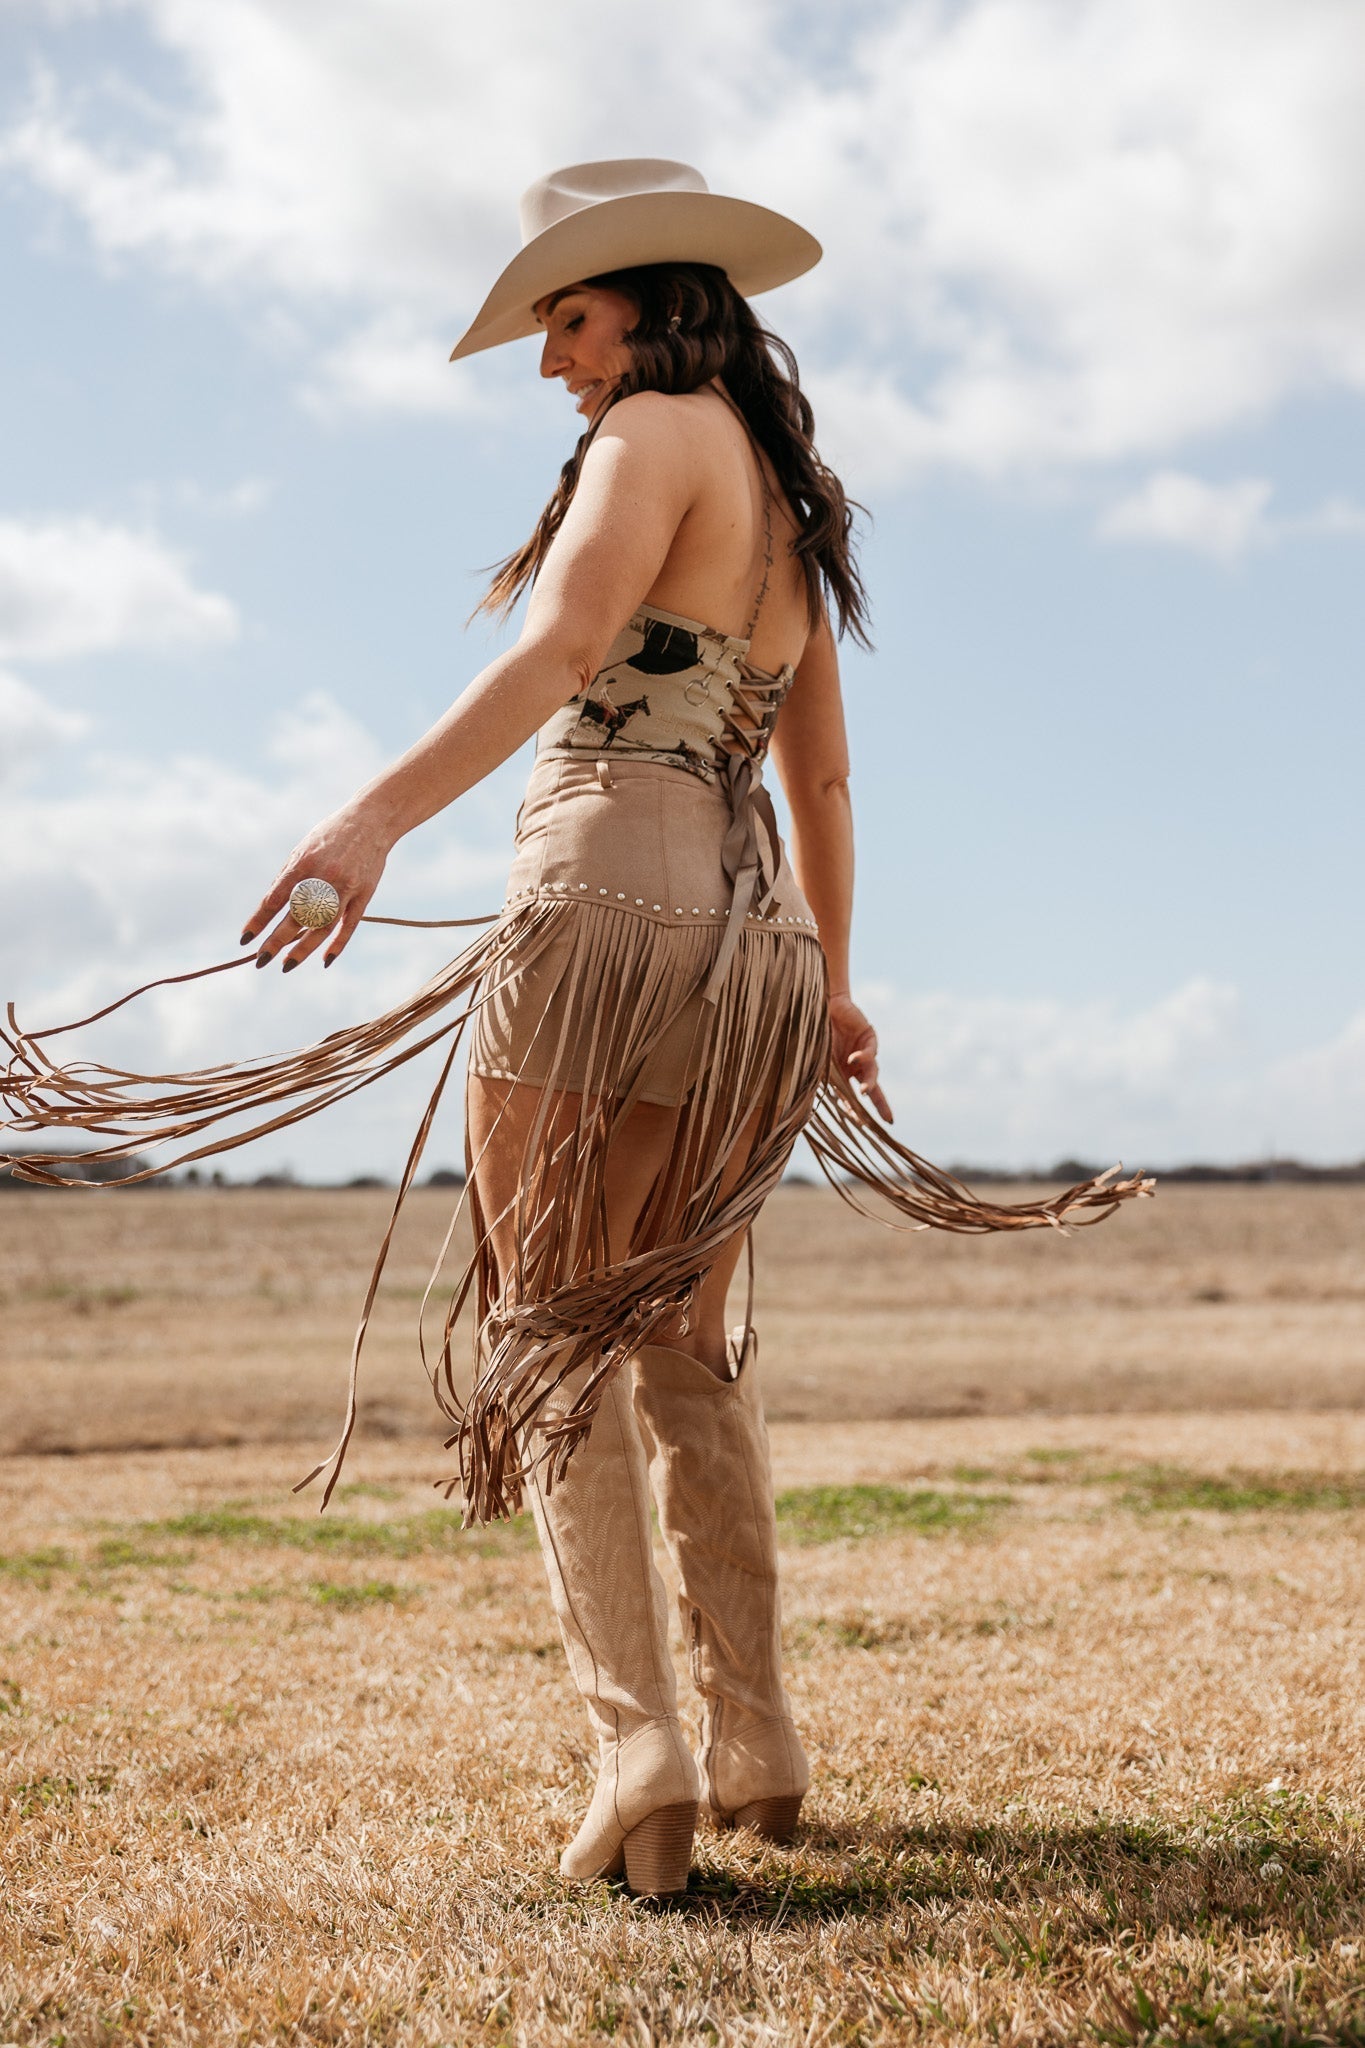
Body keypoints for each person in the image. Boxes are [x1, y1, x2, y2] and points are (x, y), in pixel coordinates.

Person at [1, 160, 1150, 1899]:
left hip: (608, 895)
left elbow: (562, 643)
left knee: (546, 1318)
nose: (551, 364)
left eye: (566, 319)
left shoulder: (649, 437)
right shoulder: (789, 501)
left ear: (650, 300)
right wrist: (833, 983)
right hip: (754, 939)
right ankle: (755, 1737)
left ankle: (643, 1756)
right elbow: (820, 769)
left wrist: (370, 820)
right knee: (677, 1326)